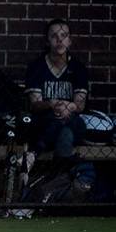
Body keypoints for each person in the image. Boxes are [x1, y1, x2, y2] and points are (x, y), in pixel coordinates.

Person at [24, 18, 88, 159]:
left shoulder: (78, 68)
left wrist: (69, 106)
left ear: (69, 41)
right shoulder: (36, 67)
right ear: (47, 41)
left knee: (76, 124)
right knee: (65, 134)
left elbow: (80, 104)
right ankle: (60, 176)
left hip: (71, 120)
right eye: (54, 36)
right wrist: (52, 104)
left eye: (63, 36)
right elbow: (35, 105)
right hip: (44, 123)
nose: (59, 40)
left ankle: (33, 154)